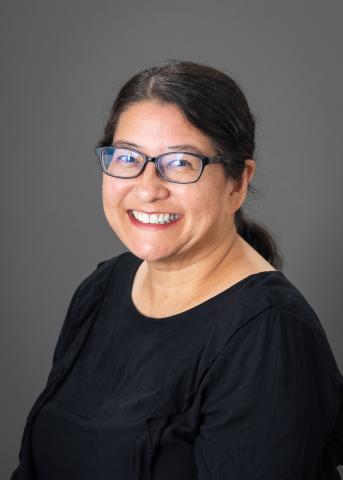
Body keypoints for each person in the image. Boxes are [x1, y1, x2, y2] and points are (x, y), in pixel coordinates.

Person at [11, 60, 343, 479]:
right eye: (128, 157)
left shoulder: (270, 336)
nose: (148, 188)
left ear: (237, 183)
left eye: (181, 163)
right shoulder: (101, 290)